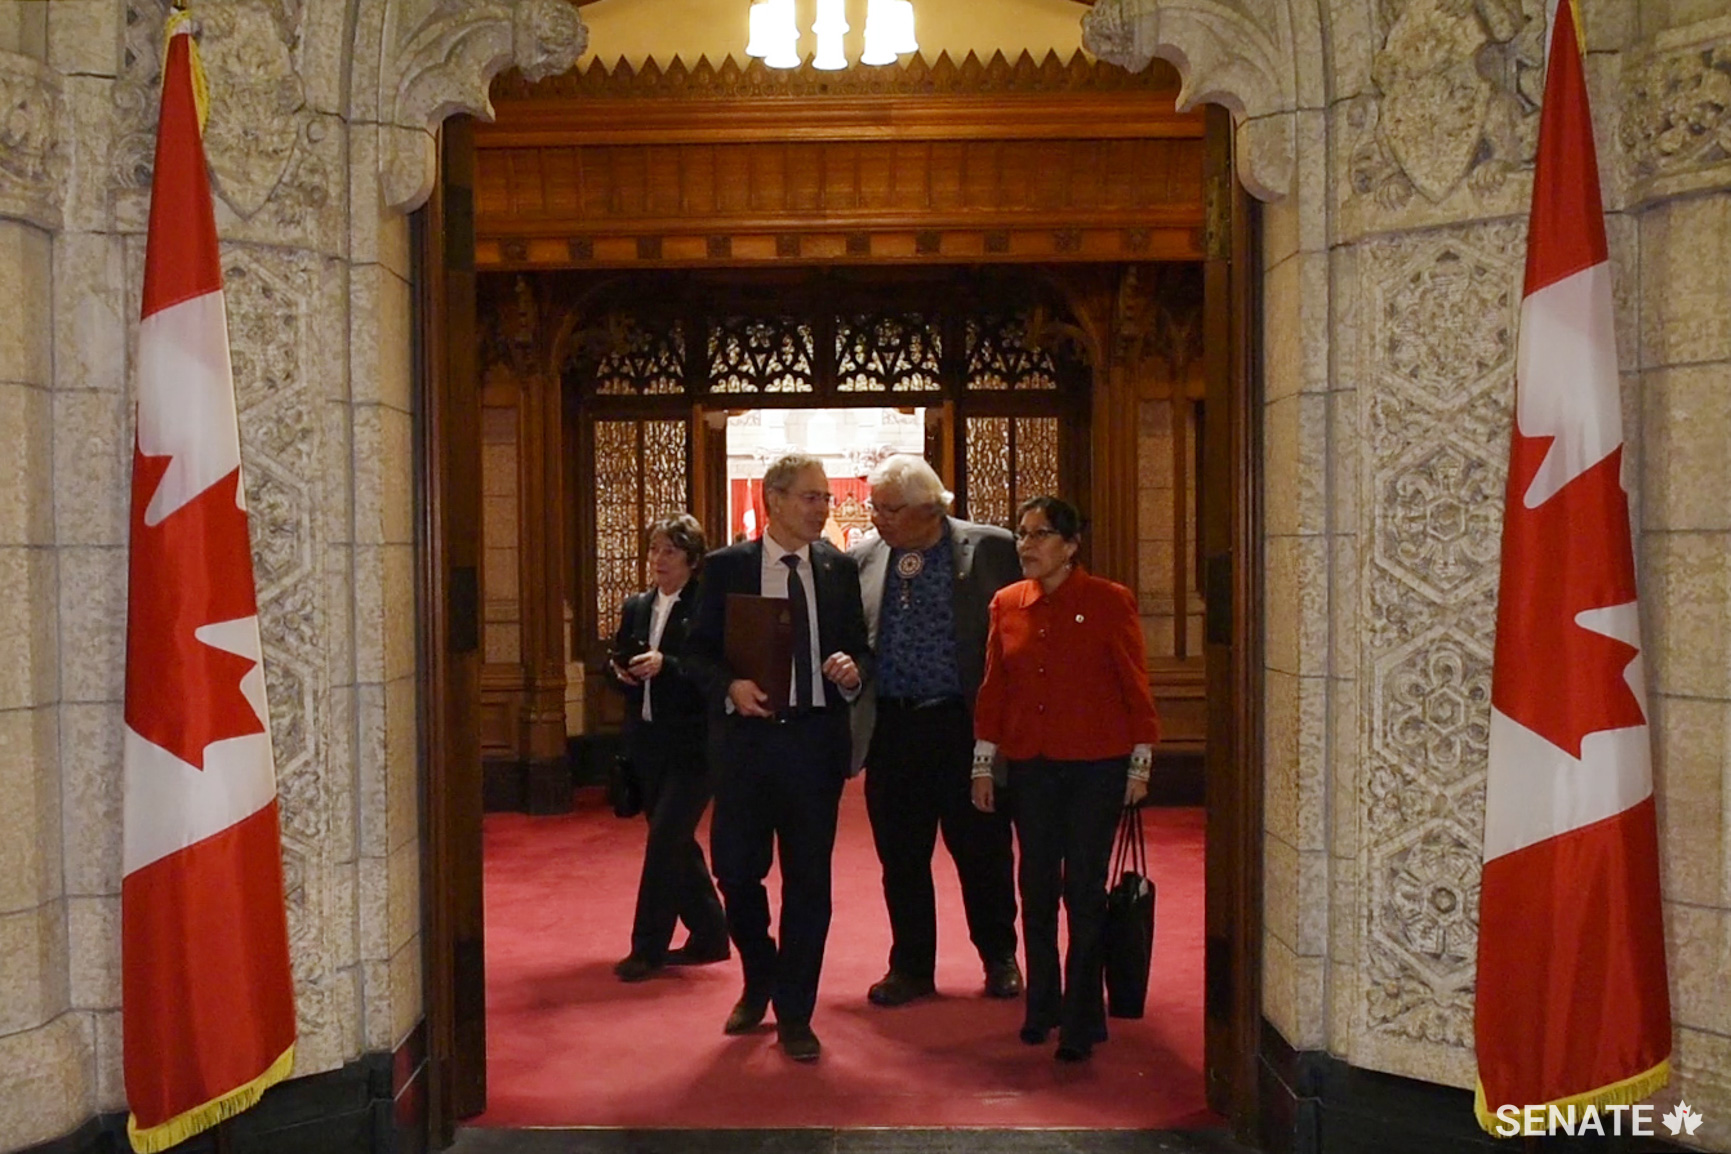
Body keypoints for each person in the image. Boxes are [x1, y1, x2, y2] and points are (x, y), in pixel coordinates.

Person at [684, 453, 873, 1063]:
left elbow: (861, 652)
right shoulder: (726, 568)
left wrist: (851, 671)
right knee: (737, 873)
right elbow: (697, 656)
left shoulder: (839, 569)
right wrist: (730, 688)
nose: (824, 507)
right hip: (746, 747)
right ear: (775, 499)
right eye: (812, 497)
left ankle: (796, 1011)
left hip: (814, 744)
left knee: (809, 886)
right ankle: (760, 973)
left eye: (825, 497)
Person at [971, 496, 1161, 1062]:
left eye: (1041, 534)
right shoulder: (1006, 602)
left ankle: (1083, 1015)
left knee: (1083, 889)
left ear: (1071, 545)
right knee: (1035, 886)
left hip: (1097, 765)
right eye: (1021, 534)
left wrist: (1141, 763)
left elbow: (1134, 682)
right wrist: (984, 763)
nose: (1026, 545)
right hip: (1032, 766)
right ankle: (1042, 1005)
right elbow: (994, 689)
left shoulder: (1108, 601)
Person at [849, 454, 1023, 1008]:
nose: (878, 517)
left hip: (964, 726)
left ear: (931, 508)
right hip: (893, 727)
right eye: (874, 506)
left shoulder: (991, 548)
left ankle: (999, 956)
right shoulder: (862, 559)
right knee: (901, 856)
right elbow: (856, 638)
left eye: (890, 508)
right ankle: (911, 966)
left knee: (983, 851)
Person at [605, 514, 730, 983]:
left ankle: (647, 948)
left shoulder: (705, 608)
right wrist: (617, 672)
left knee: (663, 843)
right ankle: (712, 934)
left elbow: (715, 670)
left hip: (695, 746)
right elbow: (615, 659)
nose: (658, 560)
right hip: (647, 743)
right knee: (675, 843)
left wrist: (669, 664)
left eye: (670, 552)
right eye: (654, 550)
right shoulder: (637, 606)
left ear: (693, 561)